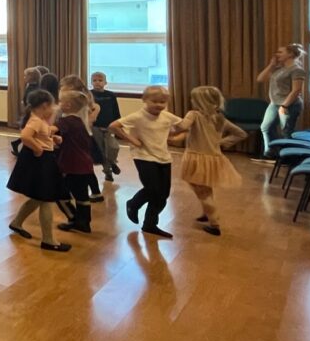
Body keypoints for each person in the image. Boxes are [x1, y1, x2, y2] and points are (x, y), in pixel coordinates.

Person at [111, 85, 184, 238]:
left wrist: (176, 138)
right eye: (155, 101)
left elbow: (185, 127)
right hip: (143, 156)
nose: (159, 105)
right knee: (152, 189)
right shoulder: (137, 116)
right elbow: (114, 126)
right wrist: (132, 140)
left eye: (162, 102)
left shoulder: (167, 117)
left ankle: (150, 224)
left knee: (163, 194)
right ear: (144, 100)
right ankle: (133, 204)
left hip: (163, 157)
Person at [174, 86, 248, 236]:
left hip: (196, 158)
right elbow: (241, 134)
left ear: (200, 101)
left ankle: (214, 223)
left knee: (201, 191)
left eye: (193, 99)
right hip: (213, 159)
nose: (191, 101)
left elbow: (181, 127)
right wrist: (221, 142)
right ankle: (206, 213)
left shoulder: (194, 114)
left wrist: (168, 120)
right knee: (206, 188)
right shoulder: (220, 118)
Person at [7, 90, 70, 252]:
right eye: (52, 106)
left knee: (38, 197)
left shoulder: (39, 120)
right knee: (47, 199)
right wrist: (38, 149)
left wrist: (52, 138)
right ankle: (48, 240)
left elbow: (40, 135)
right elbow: (25, 136)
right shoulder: (35, 120)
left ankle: (17, 223)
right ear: (45, 105)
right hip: (40, 161)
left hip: (43, 160)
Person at [253, 43, 308, 160]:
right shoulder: (279, 68)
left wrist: (284, 106)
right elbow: (260, 79)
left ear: (290, 54)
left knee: (286, 132)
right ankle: (271, 154)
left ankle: (288, 158)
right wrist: (271, 65)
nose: (277, 54)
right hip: (274, 103)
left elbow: (296, 90)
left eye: (280, 52)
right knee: (266, 127)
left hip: (289, 104)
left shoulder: (297, 70)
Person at [55, 90, 96, 234]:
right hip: (84, 164)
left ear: (67, 105)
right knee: (82, 195)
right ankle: (84, 223)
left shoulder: (66, 121)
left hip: (72, 164)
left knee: (59, 193)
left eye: (60, 101)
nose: (58, 104)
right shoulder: (80, 121)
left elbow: (52, 130)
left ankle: (74, 218)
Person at [90, 72, 123, 181]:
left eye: (100, 80)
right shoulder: (89, 95)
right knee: (102, 150)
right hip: (95, 127)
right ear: (91, 82)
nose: (97, 83)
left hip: (109, 126)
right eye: (94, 80)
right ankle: (108, 172)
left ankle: (112, 162)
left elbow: (116, 111)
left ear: (105, 82)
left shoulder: (111, 95)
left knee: (113, 147)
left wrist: (119, 123)